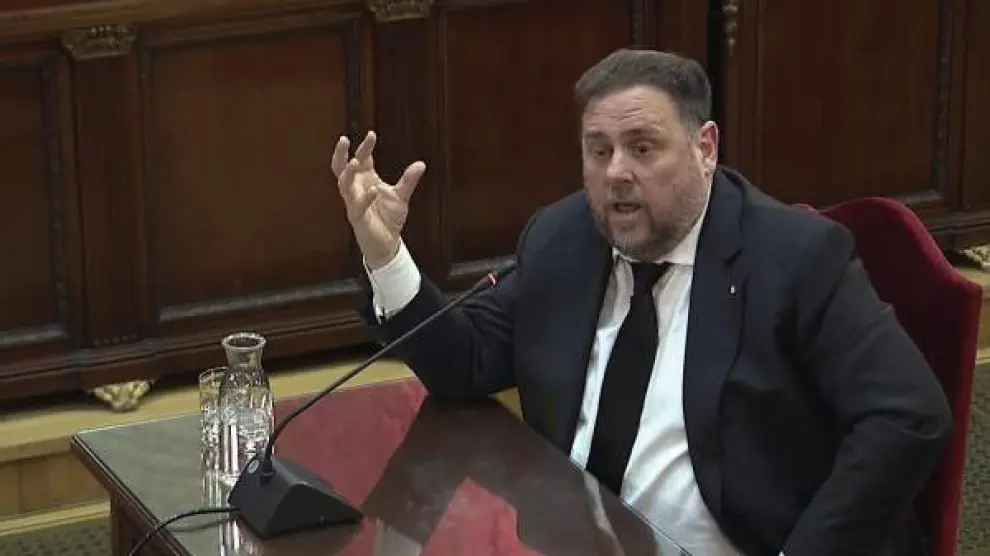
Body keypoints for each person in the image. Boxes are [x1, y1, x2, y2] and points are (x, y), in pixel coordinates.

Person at [331, 49, 953, 556]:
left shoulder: (793, 259)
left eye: (643, 147)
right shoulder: (565, 239)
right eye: (599, 150)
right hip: (575, 536)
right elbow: (463, 363)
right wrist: (385, 253)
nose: (616, 173)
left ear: (705, 148)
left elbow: (907, 415)